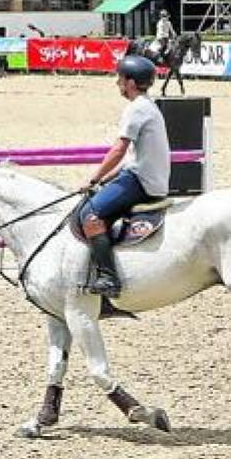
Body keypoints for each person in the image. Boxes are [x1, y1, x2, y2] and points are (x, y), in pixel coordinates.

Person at [79, 55, 171, 298]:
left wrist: (92, 178)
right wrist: (104, 180)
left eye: (119, 79)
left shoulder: (136, 108)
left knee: (90, 215)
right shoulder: (148, 105)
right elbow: (130, 159)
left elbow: (119, 150)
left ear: (130, 82)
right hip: (145, 175)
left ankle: (109, 277)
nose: (117, 83)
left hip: (142, 181)